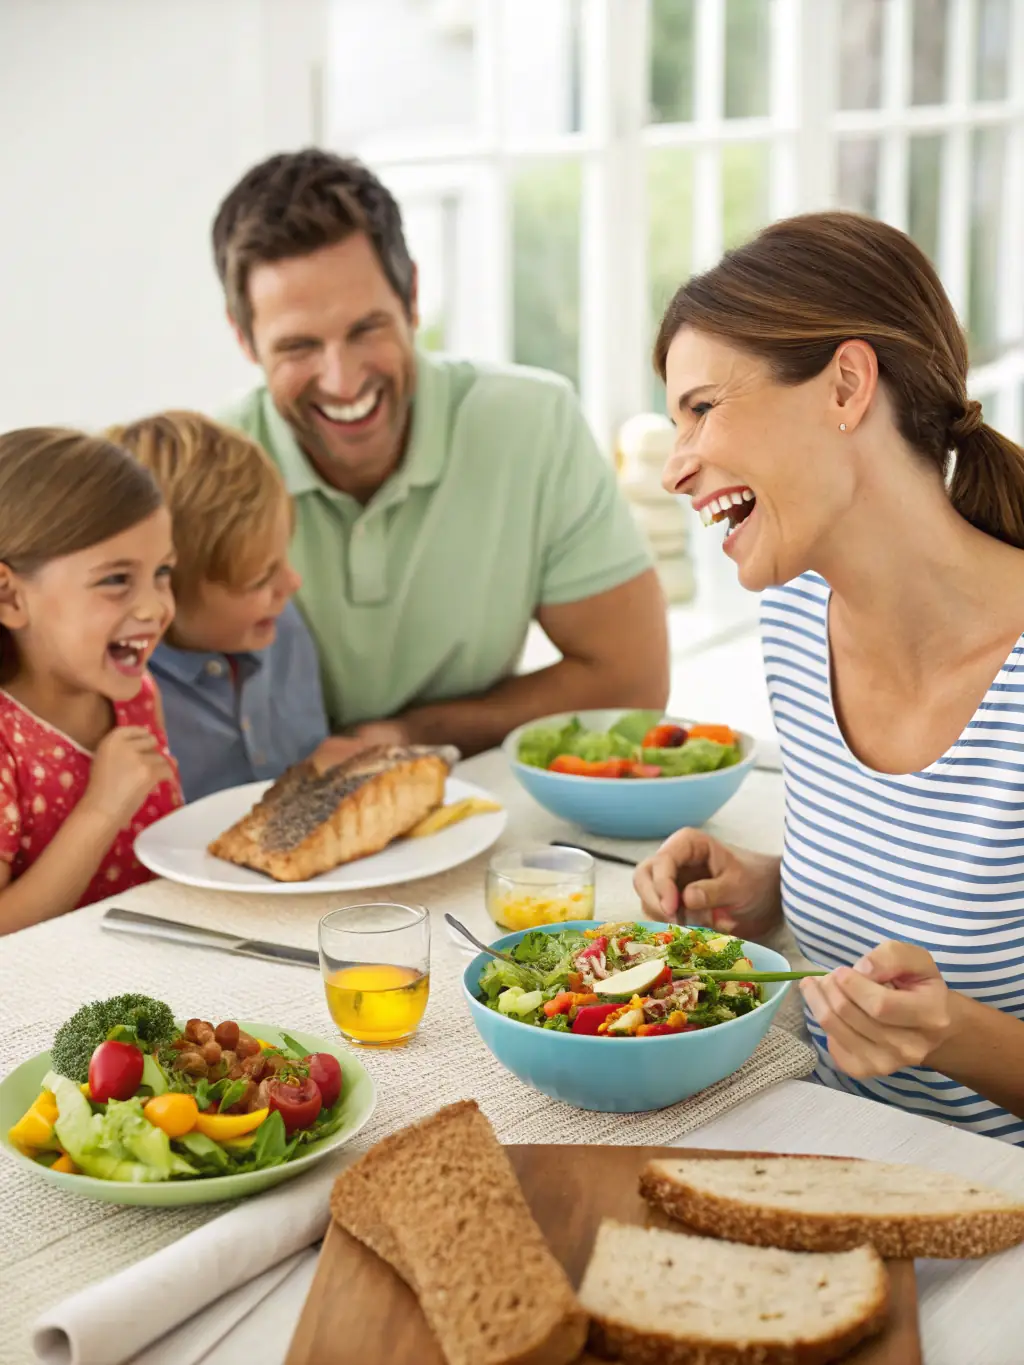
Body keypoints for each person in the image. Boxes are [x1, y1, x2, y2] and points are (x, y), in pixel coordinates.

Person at [634, 210, 1024, 1143]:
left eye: (700, 409)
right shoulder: (797, 620)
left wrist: (953, 1034)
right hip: (835, 1148)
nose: (676, 468)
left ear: (846, 384)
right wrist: (769, 888)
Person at [210, 149, 669, 756]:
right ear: (244, 338)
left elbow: (630, 680)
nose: (342, 381)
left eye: (365, 329)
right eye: (297, 347)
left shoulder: (534, 426)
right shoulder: (206, 478)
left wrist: (410, 737)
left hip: (469, 802)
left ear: (412, 297)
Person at [107, 412, 361, 802]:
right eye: (260, 578)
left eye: (283, 559)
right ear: (164, 591)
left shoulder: (281, 628)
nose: (292, 584)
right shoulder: (122, 695)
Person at [0, 430, 182, 933]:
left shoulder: (139, 696)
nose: (155, 606)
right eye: (116, 580)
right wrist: (102, 808)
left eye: (162, 571)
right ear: (10, 598)